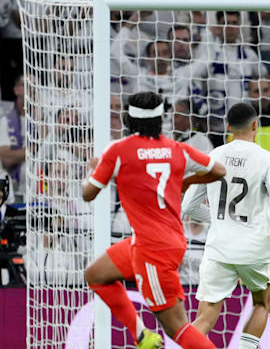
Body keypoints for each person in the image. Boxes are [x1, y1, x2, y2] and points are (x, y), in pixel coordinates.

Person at [81, 91, 227, 349]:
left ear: (128, 119)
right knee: (96, 274)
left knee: (178, 328)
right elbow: (219, 170)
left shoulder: (119, 151)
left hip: (153, 250)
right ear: (161, 119)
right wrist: (186, 182)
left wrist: (93, 170)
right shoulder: (177, 149)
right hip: (160, 240)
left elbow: (88, 194)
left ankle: (146, 337)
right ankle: (142, 336)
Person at [181, 102, 270, 349]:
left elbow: (188, 206)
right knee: (261, 304)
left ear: (228, 127)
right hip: (254, 247)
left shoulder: (213, 156)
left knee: (205, 316)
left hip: (219, 247)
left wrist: (219, 219)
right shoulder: (268, 159)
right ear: (256, 125)